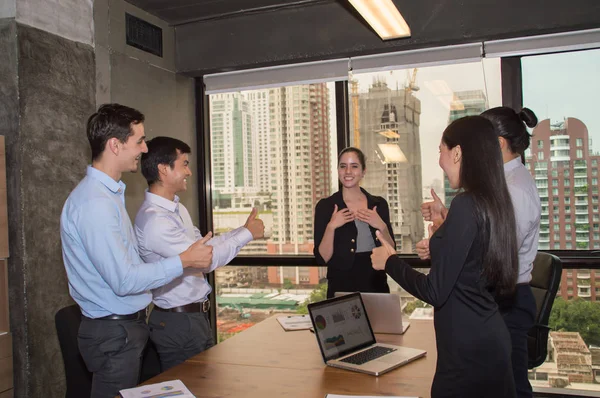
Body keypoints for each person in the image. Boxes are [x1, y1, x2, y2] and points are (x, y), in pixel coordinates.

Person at [60, 104, 214, 398]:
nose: (144, 149)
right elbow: (125, 280)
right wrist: (182, 261)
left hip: (123, 331)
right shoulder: (95, 203)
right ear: (115, 145)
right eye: (139, 141)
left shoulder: (108, 196)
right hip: (113, 334)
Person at [372, 116, 518, 398]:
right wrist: (443, 227)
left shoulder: (466, 203)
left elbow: (435, 291)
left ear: (458, 152)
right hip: (486, 338)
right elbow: (473, 260)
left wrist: (389, 261)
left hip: (467, 350)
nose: (439, 160)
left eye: (440, 150)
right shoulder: (493, 200)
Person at [421, 107, 540, 398]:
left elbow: (493, 251)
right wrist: (450, 222)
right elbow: (484, 236)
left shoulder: (513, 190)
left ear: (496, 144)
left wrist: (445, 238)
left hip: (504, 301)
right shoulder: (502, 186)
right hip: (496, 298)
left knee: (511, 387)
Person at [134, 136, 265, 371]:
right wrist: (246, 234)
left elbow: (204, 246)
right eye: (184, 163)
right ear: (164, 169)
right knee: (190, 388)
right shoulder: (156, 221)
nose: (189, 172)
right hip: (178, 322)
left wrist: (243, 230)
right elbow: (205, 259)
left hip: (193, 318)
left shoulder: (177, 209)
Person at [313, 147, 396, 299]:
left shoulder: (378, 204)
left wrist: (381, 225)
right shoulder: (326, 206)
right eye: (343, 166)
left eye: (354, 166)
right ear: (338, 170)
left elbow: (391, 250)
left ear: (363, 171)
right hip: (341, 287)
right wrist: (332, 226)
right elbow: (322, 258)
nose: (348, 171)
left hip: (375, 285)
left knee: (378, 323)